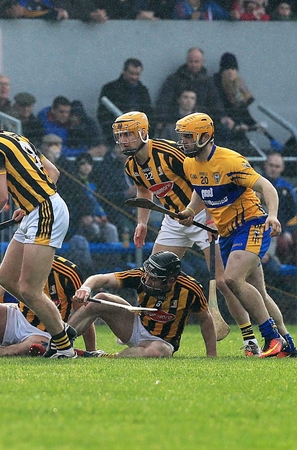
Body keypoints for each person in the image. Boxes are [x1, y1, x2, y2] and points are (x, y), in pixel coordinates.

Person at [118, 111, 293, 357]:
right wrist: (165, 217)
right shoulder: (158, 164)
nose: (123, 140)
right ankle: (287, 342)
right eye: (120, 136)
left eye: (127, 134)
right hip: (197, 222)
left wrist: (268, 215)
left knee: (228, 280)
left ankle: (258, 337)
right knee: (153, 272)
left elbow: (254, 184)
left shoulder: (213, 158)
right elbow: (193, 189)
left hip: (231, 220)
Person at [0, 98, 76, 358]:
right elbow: (52, 173)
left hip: (45, 211)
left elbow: (0, 197)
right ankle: (63, 329)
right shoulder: (16, 138)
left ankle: (65, 347)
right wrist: (28, 201)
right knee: (6, 280)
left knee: (29, 290)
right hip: (39, 208)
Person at [176, 112, 289, 357]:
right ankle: (288, 343)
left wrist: (273, 215)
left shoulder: (230, 161)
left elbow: (266, 186)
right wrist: (189, 211)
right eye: (182, 137)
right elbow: (200, 192)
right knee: (258, 293)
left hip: (252, 224)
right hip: (228, 233)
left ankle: (271, 338)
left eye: (188, 137)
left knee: (232, 279)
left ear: (205, 137)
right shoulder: (190, 163)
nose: (183, 142)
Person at [69, 251, 217, 357]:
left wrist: (212, 355)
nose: (146, 280)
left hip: (163, 341)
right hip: (136, 326)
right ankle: (59, 343)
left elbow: (205, 319)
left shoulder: (190, 289)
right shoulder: (141, 276)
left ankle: (106, 357)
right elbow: (101, 279)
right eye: (147, 275)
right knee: (101, 298)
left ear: (170, 280)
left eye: (153, 279)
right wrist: (86, 288)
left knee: (156, 352)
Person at [154, 48, 232, 136]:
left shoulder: (207, 81)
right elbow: (164, 101)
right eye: (191, 61)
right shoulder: (174, 80)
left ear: (202, 62)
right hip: (176, 122)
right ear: (187, 61)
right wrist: (161, 120)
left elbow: (215, 101)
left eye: (196, 62)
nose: (193, 64)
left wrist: (222, 116)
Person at [58, 152, 119, 244]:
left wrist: (102, 215)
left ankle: (114, 258)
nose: (86, 166)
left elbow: (97, 203)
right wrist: (93, 218)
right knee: (95, 229)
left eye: (89, 163)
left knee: (111, 229)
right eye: (83, 163)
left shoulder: (94, 183)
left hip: (97, 218)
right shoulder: (74, 183)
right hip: (82, 219)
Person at [97, 58, 153, 148]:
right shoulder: (110, 89)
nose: (134, 77)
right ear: (124, 71)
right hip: (115, 139)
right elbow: (103, 114)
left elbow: (149, 114)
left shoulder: (143, 92)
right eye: (131, 73)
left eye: (137, 74)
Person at [211, 52, 258, 154]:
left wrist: (254, 124)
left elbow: (243, 109)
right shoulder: (214, 85)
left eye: (233, 69)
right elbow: (216, 109)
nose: (231, 72)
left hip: (236, 128)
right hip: (221, 130)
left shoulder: (238, 85)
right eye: (228, 69)